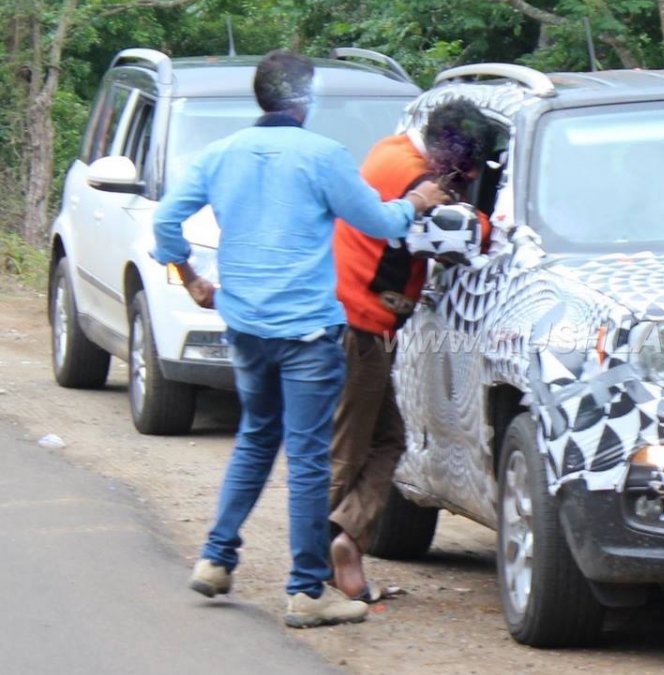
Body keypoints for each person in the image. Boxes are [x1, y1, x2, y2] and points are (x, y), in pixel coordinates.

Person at [151, 50, 449, 628]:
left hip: (246, 327)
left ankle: (216, 559)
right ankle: (306, 591)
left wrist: (189, 277)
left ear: (261, 98)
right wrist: (415, 202)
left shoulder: (220, 155)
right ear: (303, 99)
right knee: (309, 459)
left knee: (256, 439)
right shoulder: (322, 157)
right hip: (309, 334)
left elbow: (166, 221)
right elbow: (383, 225)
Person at [329, 100, 496, 600]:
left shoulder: (389, 151)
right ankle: (313, 564)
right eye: (465, 171)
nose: (465, 179)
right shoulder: (412, 178)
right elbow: (466, 235)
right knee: (349, 451)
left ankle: (344, 540)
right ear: (450, 152)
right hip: (361, 327)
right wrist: (489, 220)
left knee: (384, 441)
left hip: (360, 324)